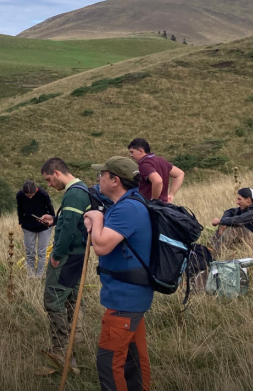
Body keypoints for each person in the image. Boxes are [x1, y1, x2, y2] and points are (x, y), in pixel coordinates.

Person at [84, 156, 152, 391]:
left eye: (101, 175)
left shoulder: (128, 208)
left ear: (115, 180)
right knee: (133, 360)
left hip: (124, 300)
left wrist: (96, 217)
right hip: (130, 297)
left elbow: (102, 246)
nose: (98, 179)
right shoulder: (126, 204)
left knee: (109, 363)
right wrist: (96, 218)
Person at [38, 159, 90, 361]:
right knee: (73, 298)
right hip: (78, 254)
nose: (49, 184)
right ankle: (76, 342)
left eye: (49, 179)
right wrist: (55, 220)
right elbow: (74, 221)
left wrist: (56, 255)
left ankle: (60, 351)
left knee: (54, 299)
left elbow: (68, 230)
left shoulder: (73, 194)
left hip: (68, 255)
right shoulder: (81, 188)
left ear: (57, 173)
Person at [211, 187, 253, 252]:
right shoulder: (250, 206)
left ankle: (215, 253)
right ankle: (211, 247)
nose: (237, 202)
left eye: (239, 199)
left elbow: (239, 220)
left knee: (235, 229)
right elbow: (230, 211)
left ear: (248, 200)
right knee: (226, 223)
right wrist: (223, 223)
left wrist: (220, 221)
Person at [15, 180, 54, 278]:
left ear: (35, 190)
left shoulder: (43, 194)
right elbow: (20, 209)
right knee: (30, 252)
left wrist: (52, 220)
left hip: (44, 227)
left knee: (42, 252)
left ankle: (39, 275)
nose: (30, 197)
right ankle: (31, 275)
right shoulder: (20, 195)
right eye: (27, 195)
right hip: (28, 226)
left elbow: (50, 208)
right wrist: (21, 222)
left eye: (31, 195)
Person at [127, 138, 185, 204]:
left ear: (141, 151)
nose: (131, 155)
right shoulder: (160, 160)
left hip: (148, 205)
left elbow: (158, 181)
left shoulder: (145, 164)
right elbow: (179, 174)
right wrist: (171, 194)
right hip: (163, 205)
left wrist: (154, 201)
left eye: (132, 152)